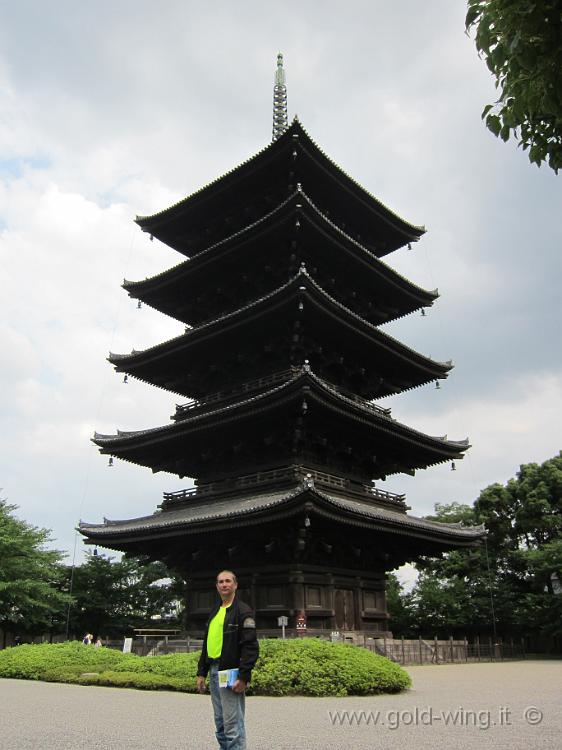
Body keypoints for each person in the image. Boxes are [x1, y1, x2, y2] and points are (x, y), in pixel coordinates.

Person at [197, 570, 259, 750]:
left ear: (235, 585)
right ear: (217, 586)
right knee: (220, 723)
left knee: (233, 724)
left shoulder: (243, 611)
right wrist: (202, 672)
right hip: (214, 670)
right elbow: (207, 644)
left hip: (230, 671)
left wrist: (244, 675)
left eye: (228, 581)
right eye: (221, 582)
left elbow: (250, 646)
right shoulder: (215, 611)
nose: (224, 585)